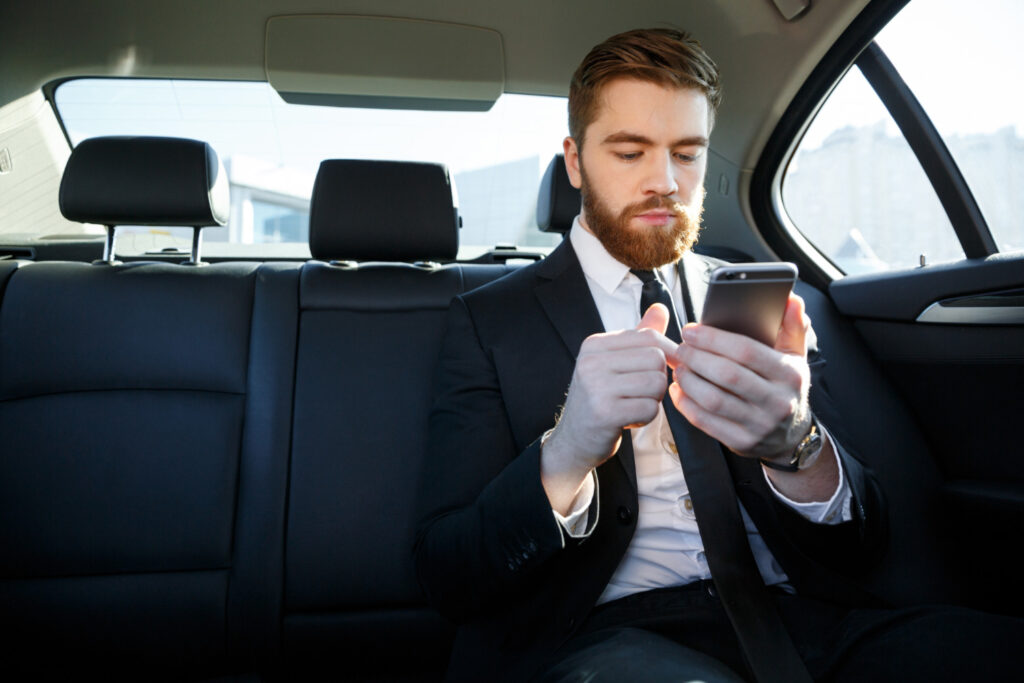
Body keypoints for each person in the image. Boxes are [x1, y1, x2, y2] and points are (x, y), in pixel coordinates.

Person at [414, 28, 1022, 683]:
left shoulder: (762, 296)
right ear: (575, 161)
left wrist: (795, 445)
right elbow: (451, 573)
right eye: (629, 152)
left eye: (688, 152)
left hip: (806, 623)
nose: (665, 181)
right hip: (601, 640)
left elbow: (864, 542)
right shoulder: (487, 319)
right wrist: (567, 449)